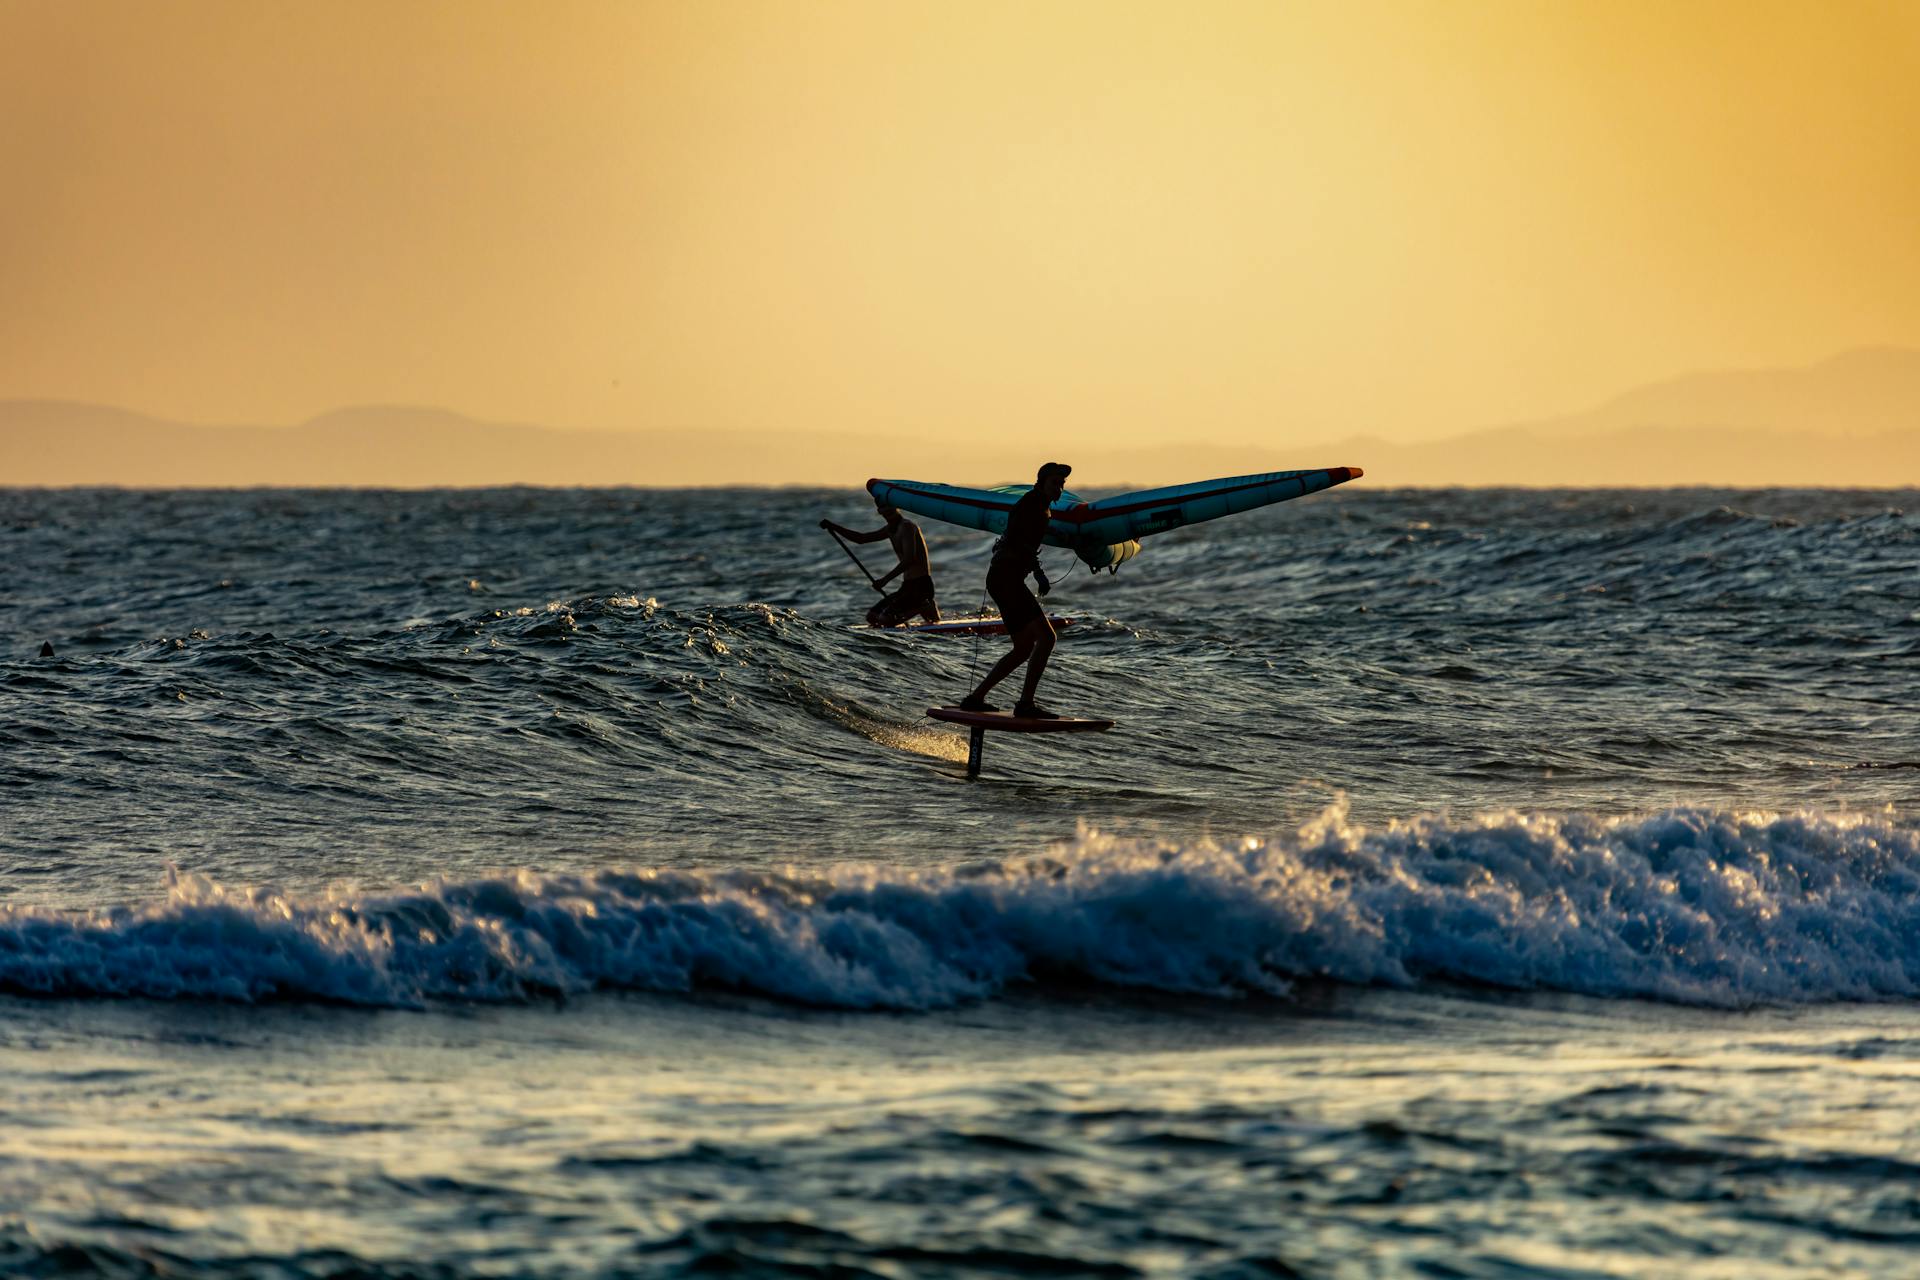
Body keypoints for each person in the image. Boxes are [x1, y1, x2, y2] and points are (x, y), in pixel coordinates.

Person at [961, 461, 1070, 719]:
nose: (1060, 488)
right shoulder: (1032, 504)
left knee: (1023, 647)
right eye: (1055, 483)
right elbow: (1020, 540)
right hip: (1006, 578)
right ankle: (1025, 704)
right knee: (1047, 638)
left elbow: (1027, 534)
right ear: (1041, 482)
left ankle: (975, 698)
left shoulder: (1038, 505)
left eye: (1062, 484)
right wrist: (1039, 573)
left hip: (1003, 578)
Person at [820, 500, 941, 626]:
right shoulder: (889, 529)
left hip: (921, 586)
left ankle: (925, 606)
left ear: (896, 506)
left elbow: (909, 560)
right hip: (907, 586)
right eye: (883, 506)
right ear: (879, 511)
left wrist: (884, 580)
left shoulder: (907, 526)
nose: (887, 508)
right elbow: (861, 539)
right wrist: (833, 526)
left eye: (890, 504)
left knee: (885, 620)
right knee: (872, 617)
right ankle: (924, 607)